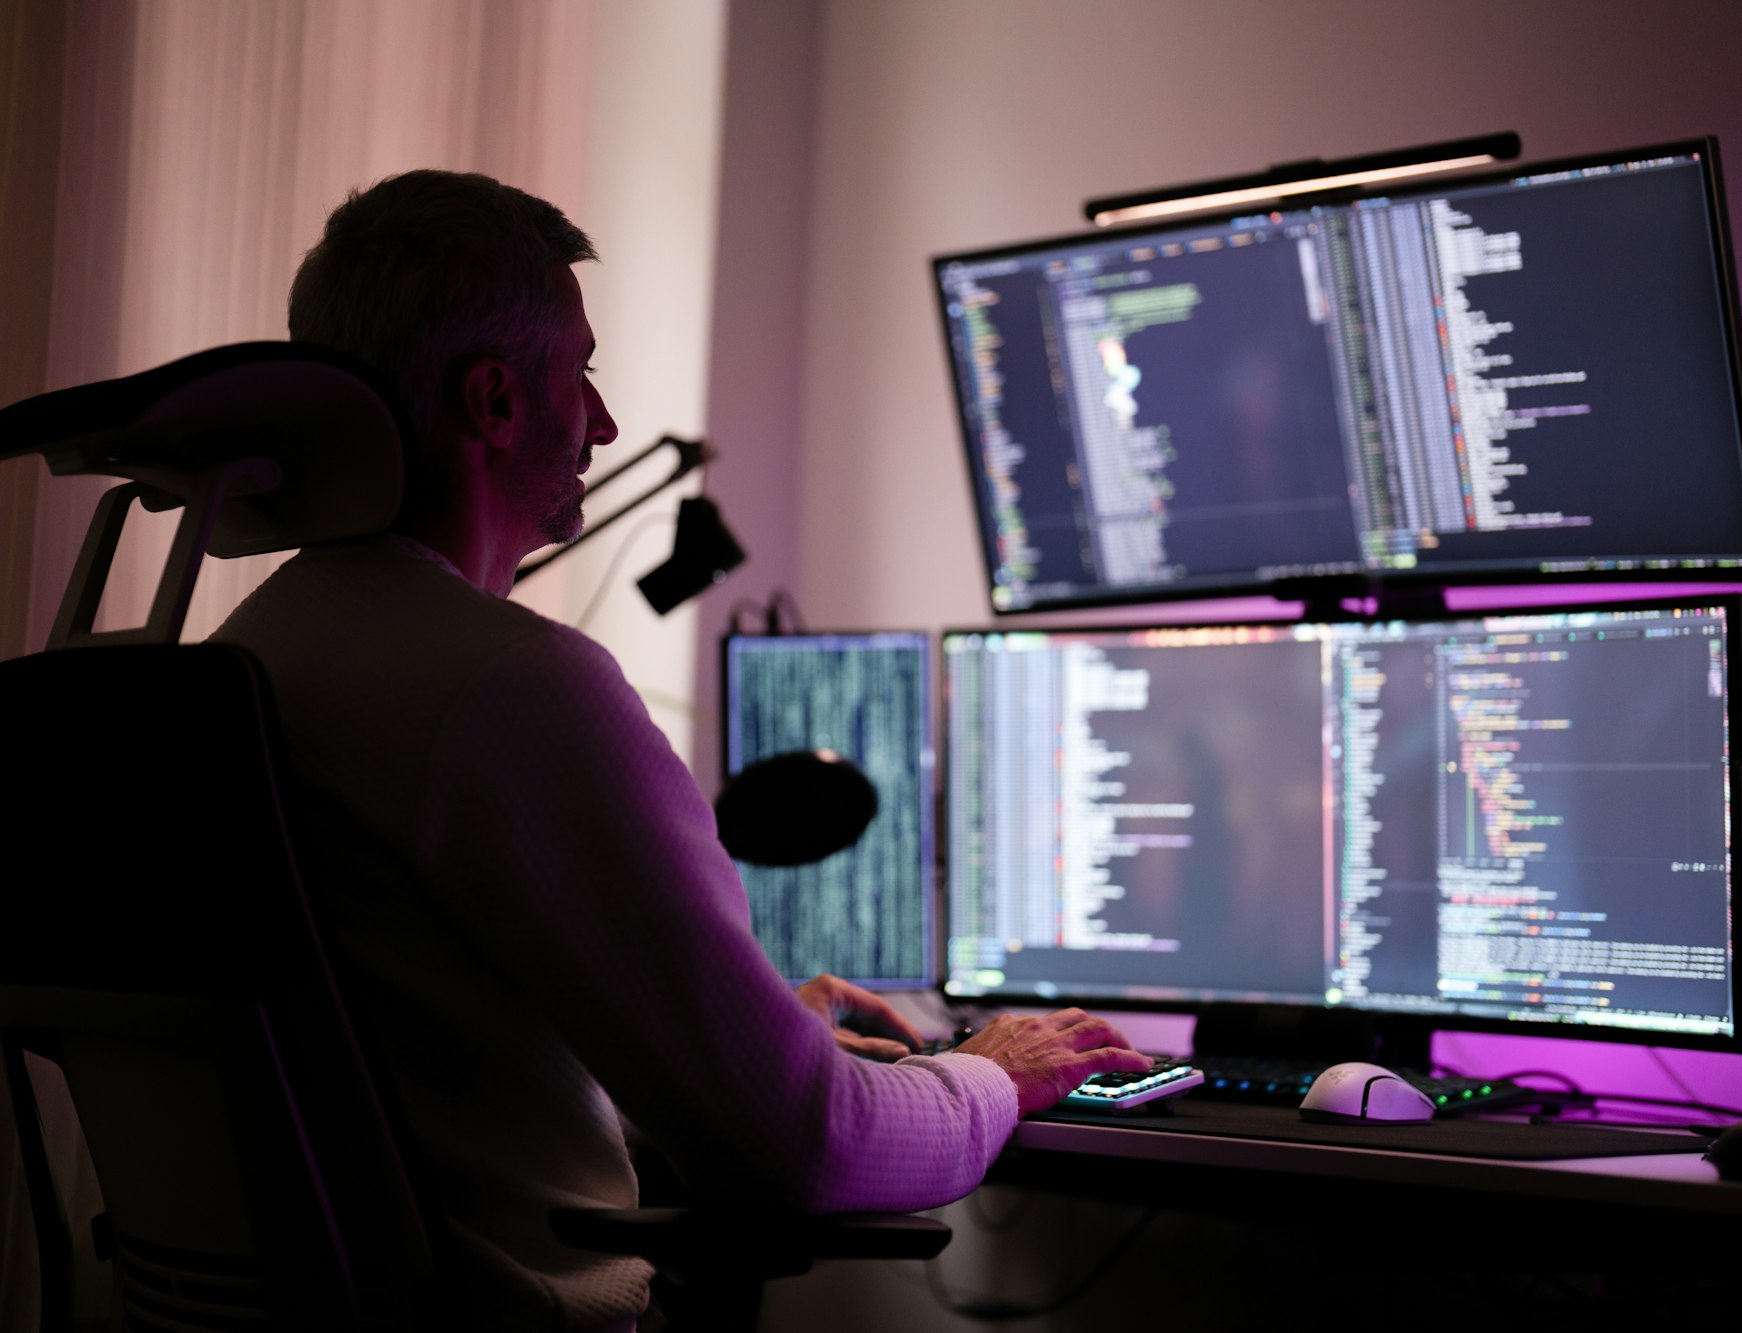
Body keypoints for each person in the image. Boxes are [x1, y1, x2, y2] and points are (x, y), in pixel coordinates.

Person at [211, 170, 1151, 1332]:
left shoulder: (249, 652)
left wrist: (752, 1025)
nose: (603, 425)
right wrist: (992, 1071)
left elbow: (423, 1054)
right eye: (582, 374)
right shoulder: (517, 687)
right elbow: (810, 1151)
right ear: (496, 400)